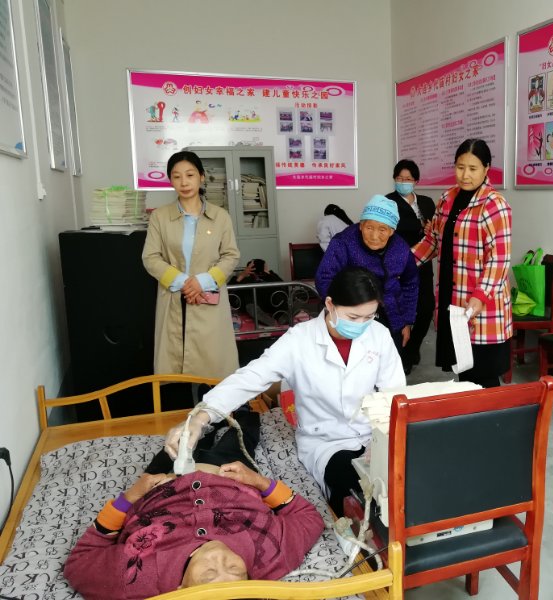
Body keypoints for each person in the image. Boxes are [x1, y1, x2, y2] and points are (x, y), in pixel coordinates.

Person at [163, 267, 405, 516]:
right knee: (357, 493)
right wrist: (200, 417)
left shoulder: (379, 335)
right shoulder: (299, 341)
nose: (362, 325)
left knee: (403, 486)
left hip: (373, 434)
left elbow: (395, 393)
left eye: (369, 317)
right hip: (327, 442)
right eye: (353, 317)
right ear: (330, 305)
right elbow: (251, 378)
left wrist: (386, 439)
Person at [64, 408, 324, 599]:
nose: (219, 558)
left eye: (208, 575)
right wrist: (259, 481)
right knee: (242, 432)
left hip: (161, 483)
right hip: (228, 474)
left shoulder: (135, 578)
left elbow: (80, 561)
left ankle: (204, 428)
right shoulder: (269, 555)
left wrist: (130, 497)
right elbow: (308, 518)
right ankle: (236, 411)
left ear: (182, 590)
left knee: (177, 444)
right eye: (235, 569)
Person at [412, 139, 512, 389]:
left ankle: (493, 414)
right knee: (464, 370)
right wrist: (401, 263)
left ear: (486, 168)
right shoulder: (447, 198)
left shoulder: (494, 205)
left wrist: (480, 295)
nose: (465, 175)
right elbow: (432, 241)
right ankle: (471, 412)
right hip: (453, 298)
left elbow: (499, 260)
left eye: (473, 168)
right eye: (460, 167)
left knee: (484, 374)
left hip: (481, 303)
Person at [142, 151, 240, 380]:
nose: (184, 182)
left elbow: (231, 255)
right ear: (170, 180)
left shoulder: (221, 217)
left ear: (201, 177)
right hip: (174, 298)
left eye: (190, 175)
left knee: (213, 369)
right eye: (177, 177)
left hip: (208, 298)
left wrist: (202, 282)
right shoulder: (160, 217)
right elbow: (151, 257)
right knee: (175, 369)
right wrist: (186, 283)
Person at [315, 195, 418, 354]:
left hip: (392, 314)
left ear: (392, 231)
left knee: (389, 357)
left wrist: (406, 321)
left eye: (382, 230)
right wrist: (343, 310)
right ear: (361, 225)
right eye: (369, 228)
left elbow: (410, 283)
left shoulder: (401, 248)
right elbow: (324, 277)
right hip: (354, 313)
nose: (375, 236)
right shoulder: (344, 242)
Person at [384, 159, 435, 374]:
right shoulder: (388, 202)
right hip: (400, 266)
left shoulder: (427, 202)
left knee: (426, 309)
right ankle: (402, 355)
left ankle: (412, 348)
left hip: (424, 265)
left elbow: (435, 230)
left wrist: (431, 228)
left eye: (407, 179)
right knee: (400, 311)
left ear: (416, 181)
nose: (403, 182)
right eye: (399, 178)